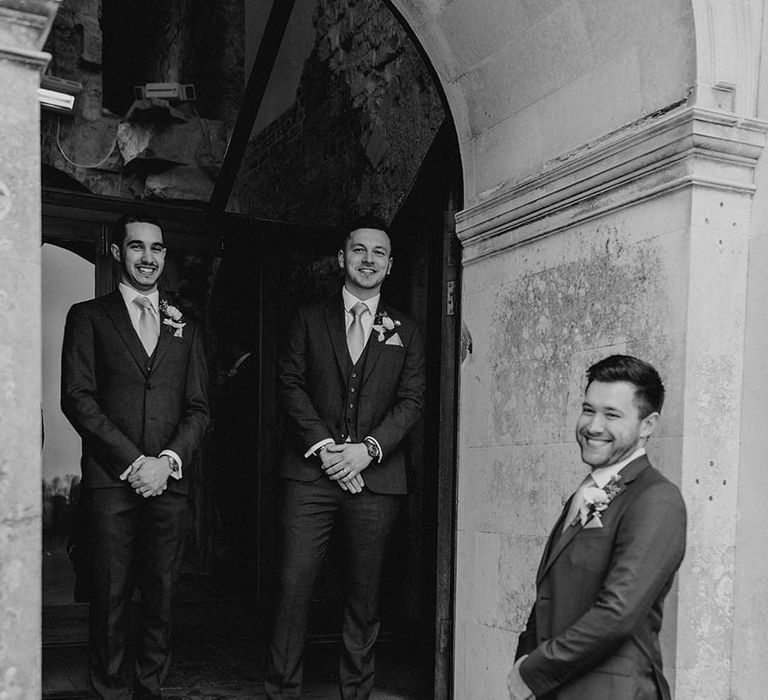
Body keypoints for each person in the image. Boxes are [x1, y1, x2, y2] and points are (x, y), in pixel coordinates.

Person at [265, 216, 426, 699]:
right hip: (309, 478)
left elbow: (412, 401)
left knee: (364, 596)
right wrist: (330, 451)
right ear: (342, 258)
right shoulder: (308, 318)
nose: (368, 260)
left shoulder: (408, 330)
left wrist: (366, 451)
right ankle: (281, 692)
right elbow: (289, 384)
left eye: (378, 253)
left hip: (376, 483)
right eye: (359, 250)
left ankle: (355, 692)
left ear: (390, 264)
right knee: (293, 589)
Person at [61, 212, 209, 699]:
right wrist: (133, 462)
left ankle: (151, 691)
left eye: (157, 249)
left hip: (170, 485)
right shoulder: (88, 316)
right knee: (110, 599)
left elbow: (198, 408)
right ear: (117, 252)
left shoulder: (185, 324)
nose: (148, 258)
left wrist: (165, 462)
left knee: (162, 600)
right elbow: (78, 398)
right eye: (138, 247)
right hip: (111, 483)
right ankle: (108, 692)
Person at [509, 355, 686, 700]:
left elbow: (617, 613)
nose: (593, 426)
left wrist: (533, 671)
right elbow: (551, 593)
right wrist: (524, 661)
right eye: (589, 410)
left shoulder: (657, 499)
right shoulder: (589, 491)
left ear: (648, 425)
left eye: (612, 414)